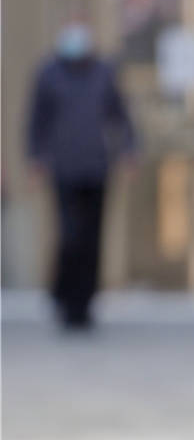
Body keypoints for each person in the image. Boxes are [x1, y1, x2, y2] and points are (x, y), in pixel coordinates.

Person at [24, 22, 137, 329]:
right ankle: (64, 295)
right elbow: (37, 119)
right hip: (64, 167)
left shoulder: (103, 72)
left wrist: (128, 150)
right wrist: (35, 158)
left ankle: (85, 302)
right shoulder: (49, 73)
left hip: (97, 167)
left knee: (92, 238)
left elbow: (121, 115)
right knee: (71, 236)